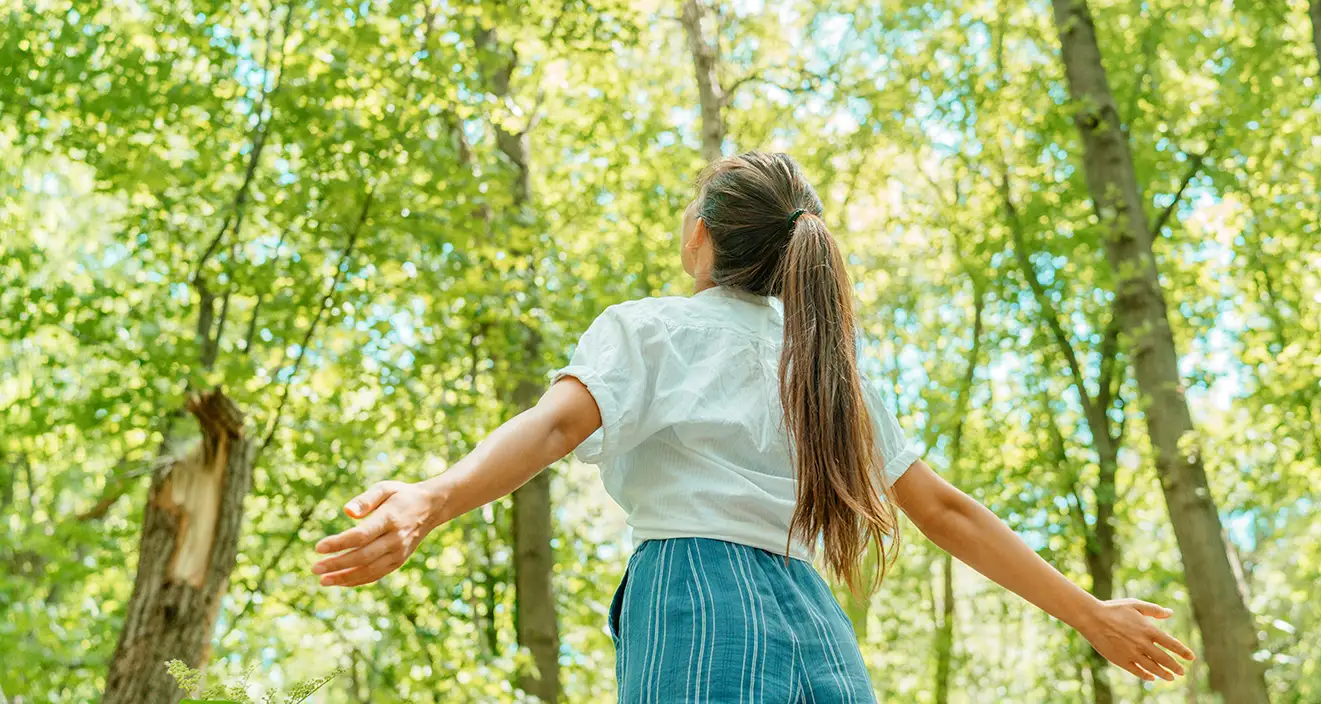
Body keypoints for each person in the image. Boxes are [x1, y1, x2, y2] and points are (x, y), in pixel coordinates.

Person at [313, 151, 1195, 701]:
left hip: (693, 594)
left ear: (702, 236)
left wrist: (432, 495)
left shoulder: (654, 327)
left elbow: (549, 431)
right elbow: (947, 512)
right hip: (813, 618)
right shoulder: (826, 366)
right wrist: (1089, 614)